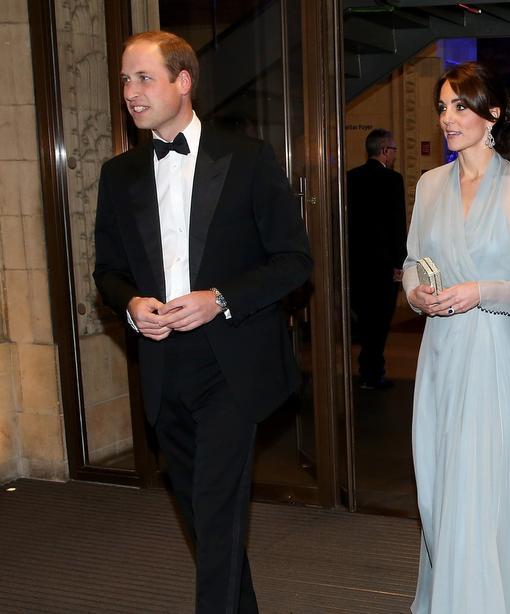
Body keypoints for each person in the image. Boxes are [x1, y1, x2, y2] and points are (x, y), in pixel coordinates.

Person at [93, 31, 312, 613]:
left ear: (182, 81)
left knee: (215, 511)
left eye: (143, 78)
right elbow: (107, 272)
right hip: (163, 367)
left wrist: (220, 297)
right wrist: (132, 305)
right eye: (123, 80)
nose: (130, 93)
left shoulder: (247, 159)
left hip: (231, 364)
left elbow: (294, 262)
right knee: (201, 513)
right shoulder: (119, 176)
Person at [402, 62, 510, 613]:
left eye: (460, 107)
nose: (448, 118)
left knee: (485, 489)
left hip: (493, 353)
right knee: (441, 485)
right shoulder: (428, 185)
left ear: (492, 115)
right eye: (443, 107)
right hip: (440, 354)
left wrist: (482, 290)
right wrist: (417, 293)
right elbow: (412, 262)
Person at [347, 128, 407, 389]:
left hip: (357, 263)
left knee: (364, 317)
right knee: (381, 321)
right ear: (385, 151)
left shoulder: (350, 178)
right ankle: (373, 373)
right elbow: (397, 223)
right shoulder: (393, 180)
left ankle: (365, 370)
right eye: (393, 149)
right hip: (383, 265)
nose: (395, 155)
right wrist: (399, 262)